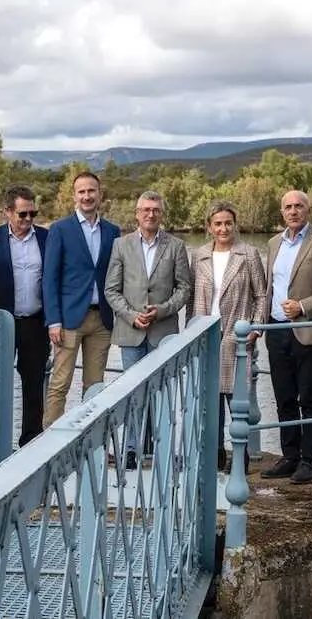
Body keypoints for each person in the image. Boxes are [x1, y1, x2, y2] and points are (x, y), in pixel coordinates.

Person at [104, 190, 193, 467]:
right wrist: (132, 316)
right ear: (137, 214)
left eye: (155, 210)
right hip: (131, 331)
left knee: (162, 392)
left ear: (161, 214)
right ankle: (131, 449)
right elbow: (111, 290)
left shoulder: (176, 246)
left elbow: (184, 288)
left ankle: (161, 447)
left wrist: (163, 310)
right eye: (146, 210)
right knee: (133, 392)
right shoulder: (121, 245)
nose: (151, 214)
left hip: (163, 331)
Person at [188, 201, 268, 472]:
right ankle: (216, 455)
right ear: (210, 227)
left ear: (235, 225)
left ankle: (241, 458)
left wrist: (256, 327)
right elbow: (192, 297)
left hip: (237, 335)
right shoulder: (199, 256)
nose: (223, 228)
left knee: (238, 402)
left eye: (228, 223)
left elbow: (261, 295)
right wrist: (191, 330)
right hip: (206, 334)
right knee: (211, 404)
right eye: (218, 223)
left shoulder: (248, 254)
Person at [261, 190, 312, 485]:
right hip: (276, 331)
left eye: (298, 206)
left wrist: (303, 306)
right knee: (284, 397)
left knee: (310, 398)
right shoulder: (273, 242)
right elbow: (269, 287)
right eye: (288, 207)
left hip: (309, 329)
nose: (293, 211)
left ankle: (309, 461)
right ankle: (289, 456)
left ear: (308, 209)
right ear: (282, 212)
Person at [42, 171, 121, 426]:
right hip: (68, 320)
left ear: (100, 194)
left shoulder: (112, 231)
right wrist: (53, 320)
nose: (87, 196)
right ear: (74, 196)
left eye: (91, 191)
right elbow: (49, 278)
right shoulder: (60, 229)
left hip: (102, 320)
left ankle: (89, 444)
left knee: (95, 387)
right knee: (60, 383)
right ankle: (49, 445)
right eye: (82, 192)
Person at [0, 185, 50, 447]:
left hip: (35, 323)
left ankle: (30, 442)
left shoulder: (46, 238)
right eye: (22, 214)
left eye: (32, 214)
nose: (28, 220)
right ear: (8, 212)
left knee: (33, 385)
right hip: (1, 325)